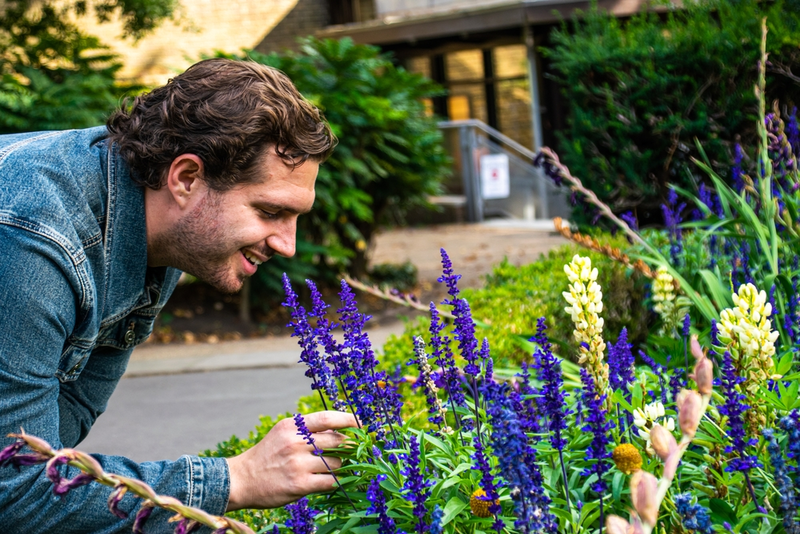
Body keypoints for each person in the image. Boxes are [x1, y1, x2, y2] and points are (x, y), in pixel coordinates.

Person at [0, 58, 357, 532]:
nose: (287, 244)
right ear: (186, 178)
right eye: (270, 210)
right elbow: (18, 491)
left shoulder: (160, 233)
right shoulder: (34, 244)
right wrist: (236, 479)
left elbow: (56, 439)